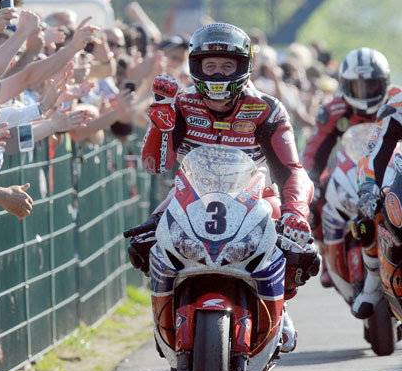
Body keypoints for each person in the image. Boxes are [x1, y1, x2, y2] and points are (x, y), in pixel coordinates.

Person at [140, 23, 318, 352]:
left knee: (298, 248)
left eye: (227, 66)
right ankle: (166, 317)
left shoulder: (267, 108)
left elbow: (292, 170)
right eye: (211, 66)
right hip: (189, 192)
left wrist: (296, 214)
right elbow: (156, 166)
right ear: (197, 67)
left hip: (256, 194)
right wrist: (159, 123)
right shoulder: (180, 104)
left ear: (243, 67)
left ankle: (282, 306)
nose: (219, 74)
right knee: (142, 243)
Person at [302, 47, 398, 288]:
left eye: (372, 85)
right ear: (345, 86)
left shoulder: (396, 101)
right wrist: (310, 179)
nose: (365, 92)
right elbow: (315, 150)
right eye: (358, 86)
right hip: (346, 169)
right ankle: (325, 254)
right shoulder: (333, 111)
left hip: (390, 169)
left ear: (384, 83)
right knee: (316, 199)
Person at [354, 90, 402, 318]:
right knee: (369, 213)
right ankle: (372, 282)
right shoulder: (396, 106)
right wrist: (368, 189)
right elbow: (373, 154)